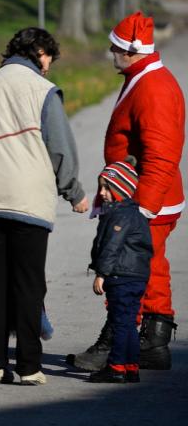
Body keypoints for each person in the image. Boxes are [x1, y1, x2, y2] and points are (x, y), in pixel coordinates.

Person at [0, 27, 89, 385]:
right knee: (29, 285)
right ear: (37, 52)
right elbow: (59, 146)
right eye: (48, 58)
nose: (48, 67)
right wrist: (74, 191)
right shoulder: (42, 91)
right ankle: (29, 366)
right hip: (28, 201)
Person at [69, 11, 185, 371]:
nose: (110, 52)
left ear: (132, 51)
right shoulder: (144, 77)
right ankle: (150, 341)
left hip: (144, 202)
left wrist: (143, 209)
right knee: (150, 268)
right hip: (141, 199)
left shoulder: (153, 88)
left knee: (125, 273)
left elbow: (162, 154)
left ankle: (122, 340)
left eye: (115, 47)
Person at [87, 157, 153, 384]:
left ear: (121, 189)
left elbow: (112, 247)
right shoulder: (135, 214)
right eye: (101, 187)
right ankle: (131, 366)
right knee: (128, 323)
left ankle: (115, 367)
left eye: (107, 187)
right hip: (136, 277)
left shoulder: (121, 215)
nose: (102, 193)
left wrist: (101, 274)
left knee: (120, 323)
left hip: (121, 276)